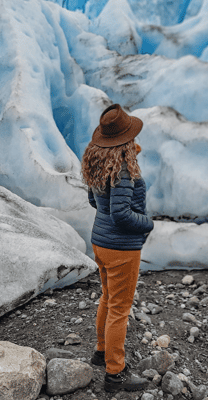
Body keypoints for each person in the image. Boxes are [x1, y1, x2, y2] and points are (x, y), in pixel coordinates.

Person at [81, 103, 154, 392]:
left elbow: (94, 202)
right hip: (122, 248)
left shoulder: (99, 163)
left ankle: (101, 351)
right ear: (125, 139)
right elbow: (121, 214)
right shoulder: (122, 170)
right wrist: (147, 223)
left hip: (101, 243)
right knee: (120, 310)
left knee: (108, 299)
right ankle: (115, 373)